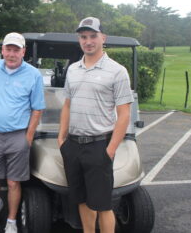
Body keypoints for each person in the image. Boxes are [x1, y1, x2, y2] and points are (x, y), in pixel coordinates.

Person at [57, 17, 134, 233]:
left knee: (102, 205)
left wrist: (110, 150)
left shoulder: (117, 71)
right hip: (72, 146)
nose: (88, 41)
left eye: (93, 36)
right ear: (79, 39)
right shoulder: (73, 69)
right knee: (81, 200)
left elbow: (124, 114)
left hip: (99, 146)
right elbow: (67, 105)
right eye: (83, 37)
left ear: (103, 38)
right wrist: (61, 139)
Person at [0, 32, 45, 233]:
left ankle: (11, 221)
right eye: (8, 49)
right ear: (2, 50)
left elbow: (38, 108)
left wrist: (28, 137)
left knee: (13, 182)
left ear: (23, 52)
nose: (11, 54)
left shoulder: (33, 75)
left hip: (18, 136)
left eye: (16, 50)